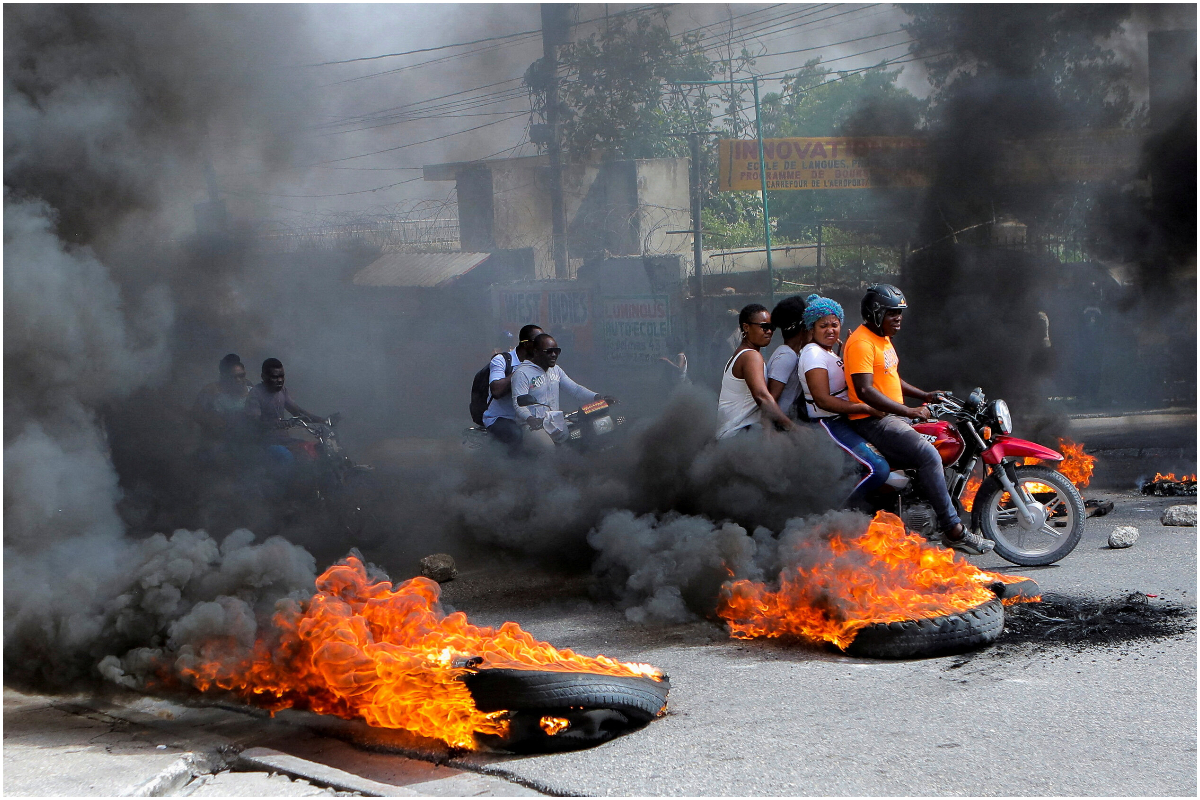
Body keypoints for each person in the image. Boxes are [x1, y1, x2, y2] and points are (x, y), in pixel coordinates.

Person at [843, 284, 993, 555]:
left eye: (900, 312)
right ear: (876, 313)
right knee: (928, 455)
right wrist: (909, 411)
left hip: (891, 416)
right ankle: (953, 530)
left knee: (940, 439)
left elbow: (891, 377)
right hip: (872, 420)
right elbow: (866, 390)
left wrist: (925, 395)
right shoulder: (861, 343)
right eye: (892, 313)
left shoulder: (882, 339)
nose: (898, 318)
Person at [796, 294, 889, 511]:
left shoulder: (827, 352)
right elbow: (823, 400)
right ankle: (839, 515)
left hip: (843, 420)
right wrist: (865, 408)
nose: (830, 330)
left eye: (834, 324)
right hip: (828, 423)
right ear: (812, 328)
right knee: (878, 469)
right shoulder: (812, 354)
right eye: (823, 325)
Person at [511, 333, 613, 443]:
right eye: (549, 351)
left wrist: (598, 397)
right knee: (549, 449)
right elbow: (518, 404)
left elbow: (575, 389)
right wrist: (530, 418)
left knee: (581, 438)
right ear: (536, 352)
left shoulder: (556, 370)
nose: (554, 355)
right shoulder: (522, 373)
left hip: (555, 422)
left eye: (557, 351)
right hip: (533, 426)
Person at [716, 304, 796, 439]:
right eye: (764, 327)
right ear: (746, 327)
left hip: (736, 435)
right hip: (738, 435)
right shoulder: (750, 356)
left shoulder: (743, 354)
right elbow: (762, 397)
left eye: (771, 327)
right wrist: (793, 428)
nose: (769, 331)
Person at [244, 358, 326, 469]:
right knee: (288, 458)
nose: (279, 380)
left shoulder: (282, 391)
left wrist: (323, 420)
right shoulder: (256, 394)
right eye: (275, 377)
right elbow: (254, 423)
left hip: (285, 440)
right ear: (263, 377)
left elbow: (298, 412)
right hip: (266, 444)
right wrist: (281, 424)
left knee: (316, 450)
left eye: (282, 376)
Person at [482, 324, 543, 448]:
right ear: (526, 344)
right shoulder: (500, 359)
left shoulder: (540, 363)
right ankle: (513, 467)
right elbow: (496, 391)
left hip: (526, 417)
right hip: (501, 418)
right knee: (516, 435)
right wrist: (522, 370)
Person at [765, 295, 810, 423]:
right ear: (804, 328)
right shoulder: (787, 356)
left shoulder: (794, 354)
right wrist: (769, 434)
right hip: (778, 424)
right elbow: (770, 400)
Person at [193, 353, 252, 442]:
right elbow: (197, 414)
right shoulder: (211, 391)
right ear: (224, 374)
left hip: (246, 436)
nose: (238, 379)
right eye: (233, 376)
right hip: (219, 438)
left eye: (241, 375)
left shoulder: (248, 386)